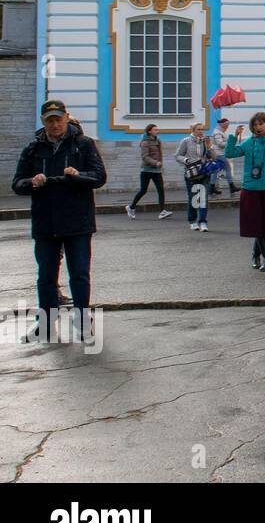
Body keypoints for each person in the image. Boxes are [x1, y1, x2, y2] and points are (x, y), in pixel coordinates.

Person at [11, 100, 107, 343]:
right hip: (46, 222)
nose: (55, 124)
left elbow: (99, 177)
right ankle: (45, 325)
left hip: (78, 221)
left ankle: (83, 323)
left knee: (79, 274)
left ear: (66, 118)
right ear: (43, 122)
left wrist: (78, 175)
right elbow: (17, 183)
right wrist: (32, 181)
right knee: (45, 276)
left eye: (58, 119)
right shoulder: (33, 148)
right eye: (49, 120)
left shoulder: (83, 145)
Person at [226, 113, 265, 272]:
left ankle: (255, 253)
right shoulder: (249, 142)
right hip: (251, 188)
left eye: (260, 124)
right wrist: (233, 137)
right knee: (257, 223)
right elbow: (230, 153)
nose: (257, 127)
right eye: (254, 125)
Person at [126, 124, 172, 220]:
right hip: (146, 170)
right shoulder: (145, 142)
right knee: (143, 190)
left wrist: (160, 164)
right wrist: (156, 163)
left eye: (157, 129)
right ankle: (131, 207)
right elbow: (145, 157)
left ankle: (162, 211)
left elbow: (159, 154)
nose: (157, 131)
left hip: (156, 170)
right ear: (149, 131)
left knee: (161, 189)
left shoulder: (157, 140)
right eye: (155, 130)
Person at [175, 122, 213, 232]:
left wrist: (210, 147)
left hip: (204, 173)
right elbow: (177, 156)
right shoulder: (186, 141)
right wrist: (186, 160)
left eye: (202, 129)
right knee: (194, 198)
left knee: (203, 198)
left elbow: (212, 157)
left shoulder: (205, 142)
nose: (201, 132)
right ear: (193, 130)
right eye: (199, 129)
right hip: (191, 174)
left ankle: (203, 222)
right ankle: (192, 221)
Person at [209, 118, 239, 197]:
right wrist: (230, 142)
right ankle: (232, 187)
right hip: (219, 154)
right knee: (228, 169)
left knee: (215, 171)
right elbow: (220, 144)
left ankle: (211, 188)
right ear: (222, 124)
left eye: (228, 124)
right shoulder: (217, 132)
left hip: (217, 154)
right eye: (226, 124)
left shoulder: (220, 131)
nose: (228, 126)